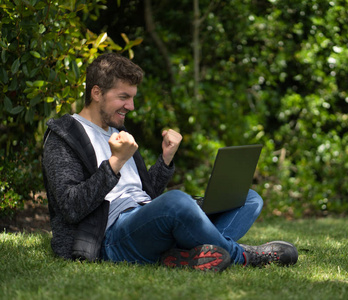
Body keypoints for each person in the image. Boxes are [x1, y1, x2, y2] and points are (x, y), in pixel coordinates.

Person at [42, 53, 298, 272]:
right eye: (123, 97)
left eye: (132, 97)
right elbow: (71, 206)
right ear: (96, 92)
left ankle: (184, 254)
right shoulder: (65, 135)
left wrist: (165, 158)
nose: (130, 106)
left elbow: (146, 195)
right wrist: (115, 163)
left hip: (145, 218)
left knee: (249, 198)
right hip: (110, 237)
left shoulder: (115, 131)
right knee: (177, 202)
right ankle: (243, 256)